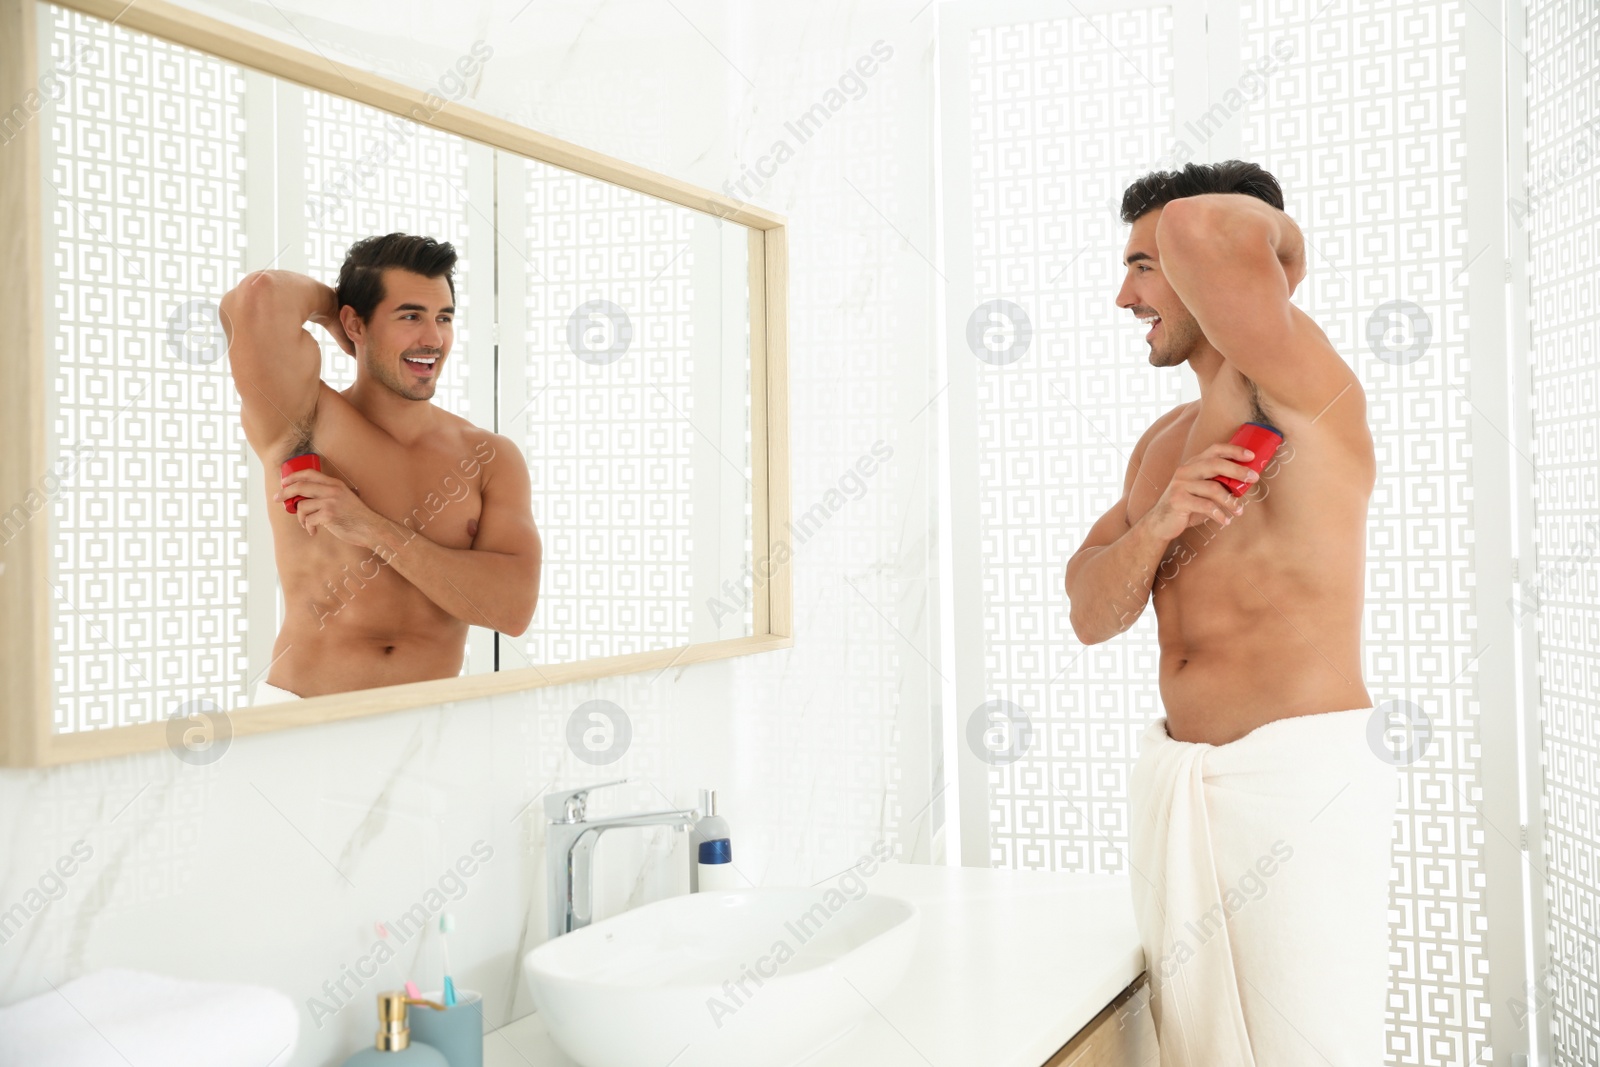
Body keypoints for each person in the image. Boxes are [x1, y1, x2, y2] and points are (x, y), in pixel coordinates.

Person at [1064, 161, 1397, 1065]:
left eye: (1143, 262)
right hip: (1181, 787)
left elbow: (1211, 228)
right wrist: (1162, 521)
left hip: (1298, 791)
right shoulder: (1164, 445)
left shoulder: (1306, 394)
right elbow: (1090, 611)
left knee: (1311, 1047)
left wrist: (1280, 258)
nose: (1124, 295)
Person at [219, 233, 541, 702]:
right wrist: (338, 313)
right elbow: (258, 297)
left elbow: (512, 611)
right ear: (356, 323)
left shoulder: (488, 456)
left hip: (429, 725)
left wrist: (369, 527)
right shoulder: (301, 418)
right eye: (410, 316)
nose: (432, 339)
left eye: (444, 318)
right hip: (306, 716)